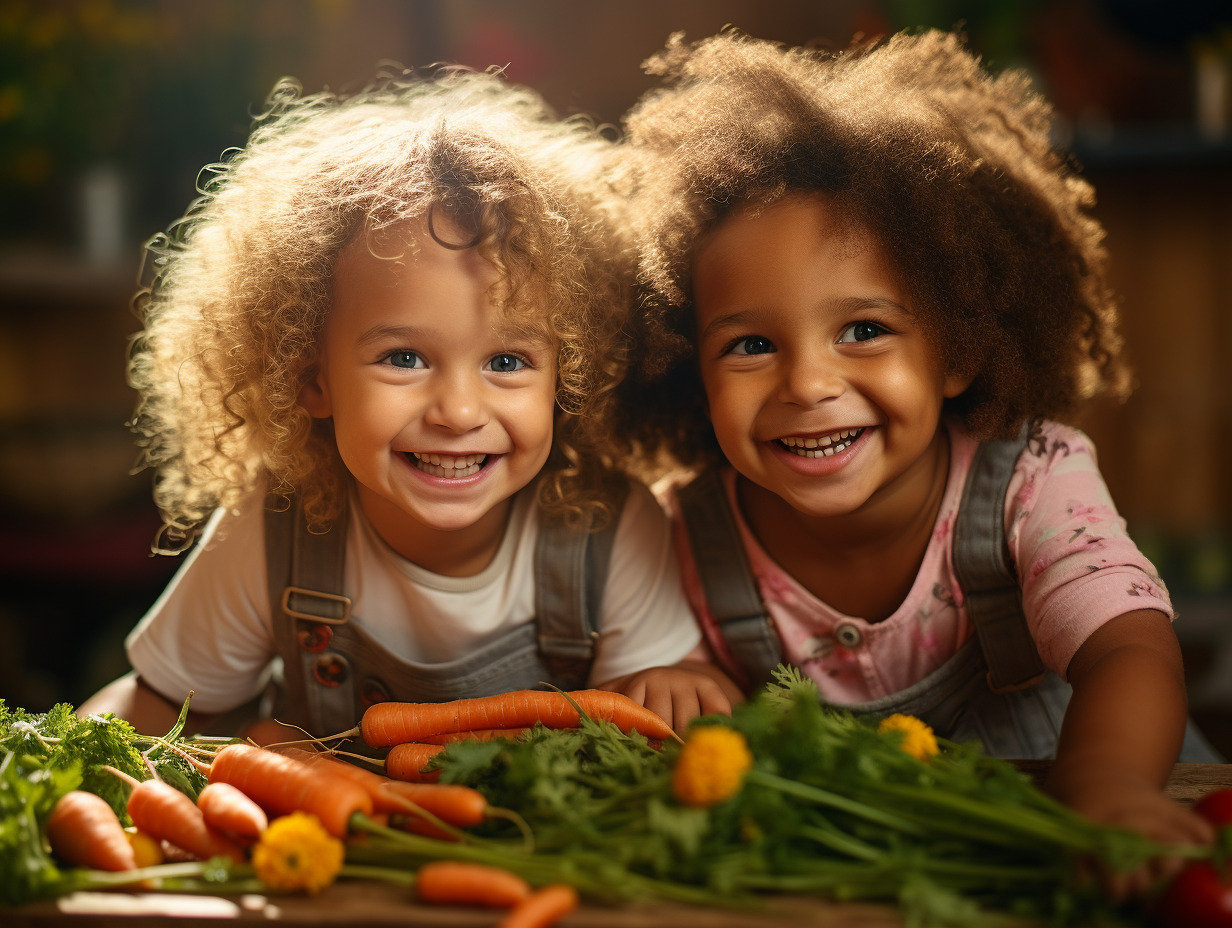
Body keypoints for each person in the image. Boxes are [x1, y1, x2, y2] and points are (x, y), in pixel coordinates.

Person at [615, 27, 1217, 887]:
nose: (808, 383)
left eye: (864, 330)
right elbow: (690, 680)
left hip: (1108, 853)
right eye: (749, 345)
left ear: (957, 351)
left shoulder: (1032, 479)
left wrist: (1108, 787)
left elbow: (1128, 647)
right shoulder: (684, 527)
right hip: (880, 882)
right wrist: (683, 675)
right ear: (686, 369)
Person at [81, 66, 737, 744]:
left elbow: (653, 708)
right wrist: (61, 768)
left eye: (507, 363)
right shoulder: (273, 527)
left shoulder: (608, 526)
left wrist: (677, 681)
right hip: (330, 844)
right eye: (404, 359)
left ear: (566, 377)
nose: (457, 411)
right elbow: (156, 705)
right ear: (311, 380)